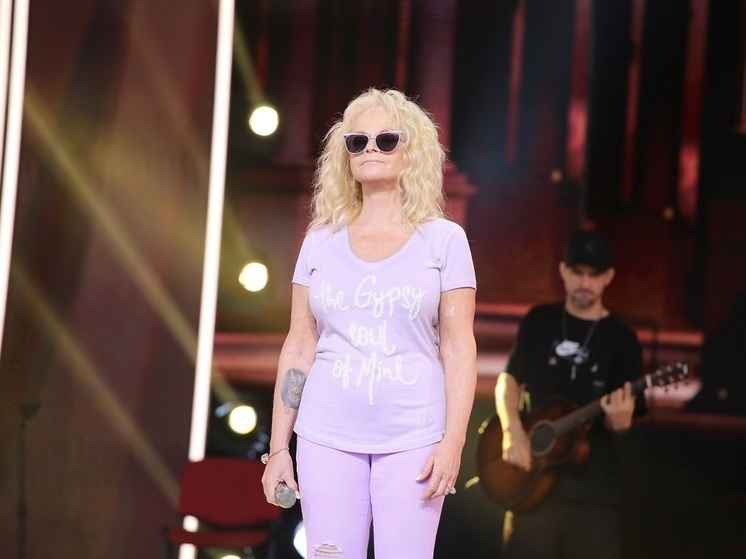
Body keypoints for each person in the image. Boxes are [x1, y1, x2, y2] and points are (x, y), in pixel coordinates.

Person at [261, 87, 477, 559]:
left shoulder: (444, 240)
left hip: (414, 436)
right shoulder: (320, 241)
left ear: (411, 149)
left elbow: (459, 348)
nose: (370, 150)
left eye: (386, 139)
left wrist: (454, 441)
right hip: (326, 435)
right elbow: (299, 345)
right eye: (357, 141)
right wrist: (278, 448)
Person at [494, 229, 645, 559]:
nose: (585, 283)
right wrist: (512, 431)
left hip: (594, 493)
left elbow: (629, 422)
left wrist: (620, 424)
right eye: (578, 272)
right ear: (563, 270)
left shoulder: (622, 339)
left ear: (609, 277)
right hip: (532, 484)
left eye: (595, 274)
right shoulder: (540, 321)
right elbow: (509, 380)